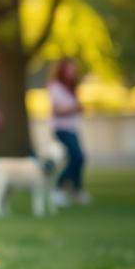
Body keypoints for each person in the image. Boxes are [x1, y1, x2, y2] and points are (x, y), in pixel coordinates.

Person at [48, 58, 90, 206]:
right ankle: (58, 189)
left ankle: (76, 190)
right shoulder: (56, 87)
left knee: (78, 159)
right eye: (69, 69)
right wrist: (74, 108)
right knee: (76, 158)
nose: (72, 72)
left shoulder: (72, 88)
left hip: (72, 128)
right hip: (61, 129)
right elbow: (56, 111)